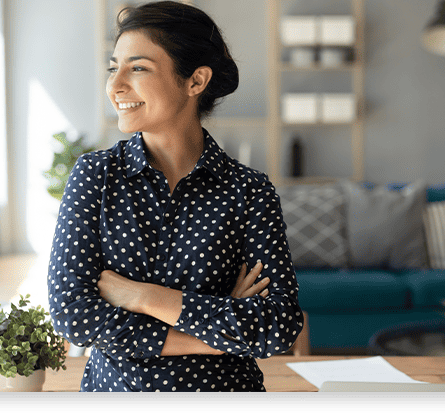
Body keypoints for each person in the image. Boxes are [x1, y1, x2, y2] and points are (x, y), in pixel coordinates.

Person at [47, 0, 303, 392]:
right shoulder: (95, 177)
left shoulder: (249, 191)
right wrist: (219, 336)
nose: (115, 86)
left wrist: (141, 296)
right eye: (114, 67)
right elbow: (74, 316)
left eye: (138, 68)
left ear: (195, 81)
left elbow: (278, 325)